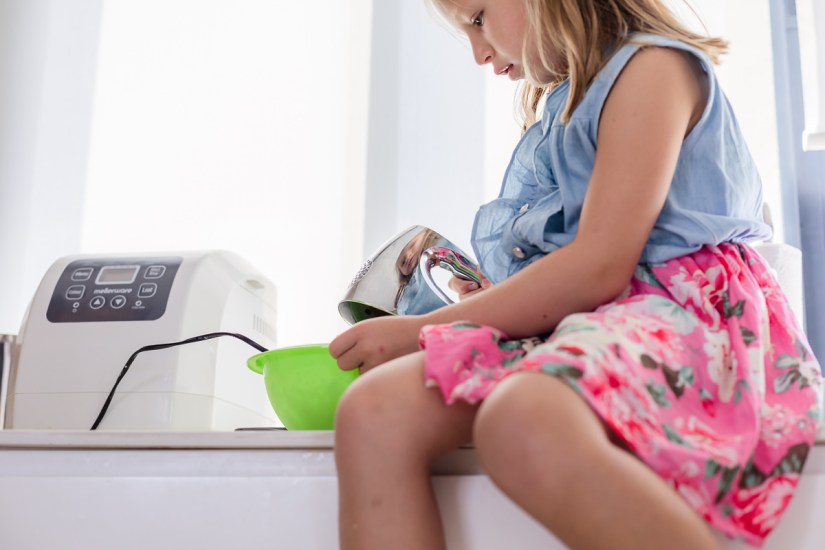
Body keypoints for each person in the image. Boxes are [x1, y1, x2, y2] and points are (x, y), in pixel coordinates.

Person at [329, 0, 824, 548]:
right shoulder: (562, 103)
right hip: (594, 319)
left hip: (687, 318)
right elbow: (578, 271)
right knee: (372, 413)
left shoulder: (652, 68)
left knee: (521, 418)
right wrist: (503, 298)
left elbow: (600, 265)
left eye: (477, 18)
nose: (479, 53)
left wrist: (422, 330)